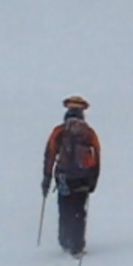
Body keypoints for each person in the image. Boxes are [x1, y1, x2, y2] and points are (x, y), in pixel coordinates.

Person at [41, 96, 101, 256]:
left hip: (63, 177)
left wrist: (46, 178)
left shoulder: (60, 131)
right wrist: (93, 179)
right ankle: (77, 245)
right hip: (82, 178)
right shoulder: (88, 133)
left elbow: (50, 154)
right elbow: (97, 156)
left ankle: (64, 240)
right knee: (79, 210)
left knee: (65, 207)